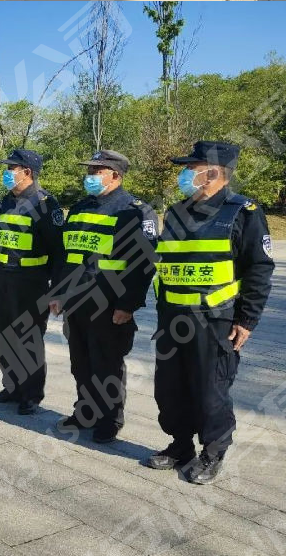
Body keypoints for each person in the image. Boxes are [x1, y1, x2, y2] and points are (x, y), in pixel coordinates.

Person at [146, 141, 275, 484]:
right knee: (169, 388)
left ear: (214, 172)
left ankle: (213, 452)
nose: (185, 174)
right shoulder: (176, 212)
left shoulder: (242, 212)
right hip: (172, 317)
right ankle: (180, 445)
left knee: (210, 389)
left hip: (215, 320)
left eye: (192, 167)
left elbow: (259, 269)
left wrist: (247, 320)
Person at [50, 150, 159, 443]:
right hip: (77, 302)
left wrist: (128, 304)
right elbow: (66, 255)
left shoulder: (135, 210)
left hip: (109, 305)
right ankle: (85, 411)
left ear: (115, 176)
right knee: (80, 363)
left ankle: (110, 419)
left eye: (97, 171)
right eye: (90, 171)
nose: (90, 176)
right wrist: (58, 293)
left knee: (107, 364)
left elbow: (144, 263)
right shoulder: (79, 208)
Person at [0, 148, 64, 414]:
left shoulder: (46, 204)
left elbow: (59, 252)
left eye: (11, 168)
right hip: (3, 279)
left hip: (31, 283)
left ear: (27, 172)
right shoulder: (6, 201)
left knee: (28, 340)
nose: (7, 173)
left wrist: (57, 291)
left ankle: (31, 394)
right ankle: (12, 386)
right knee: (2, 337)